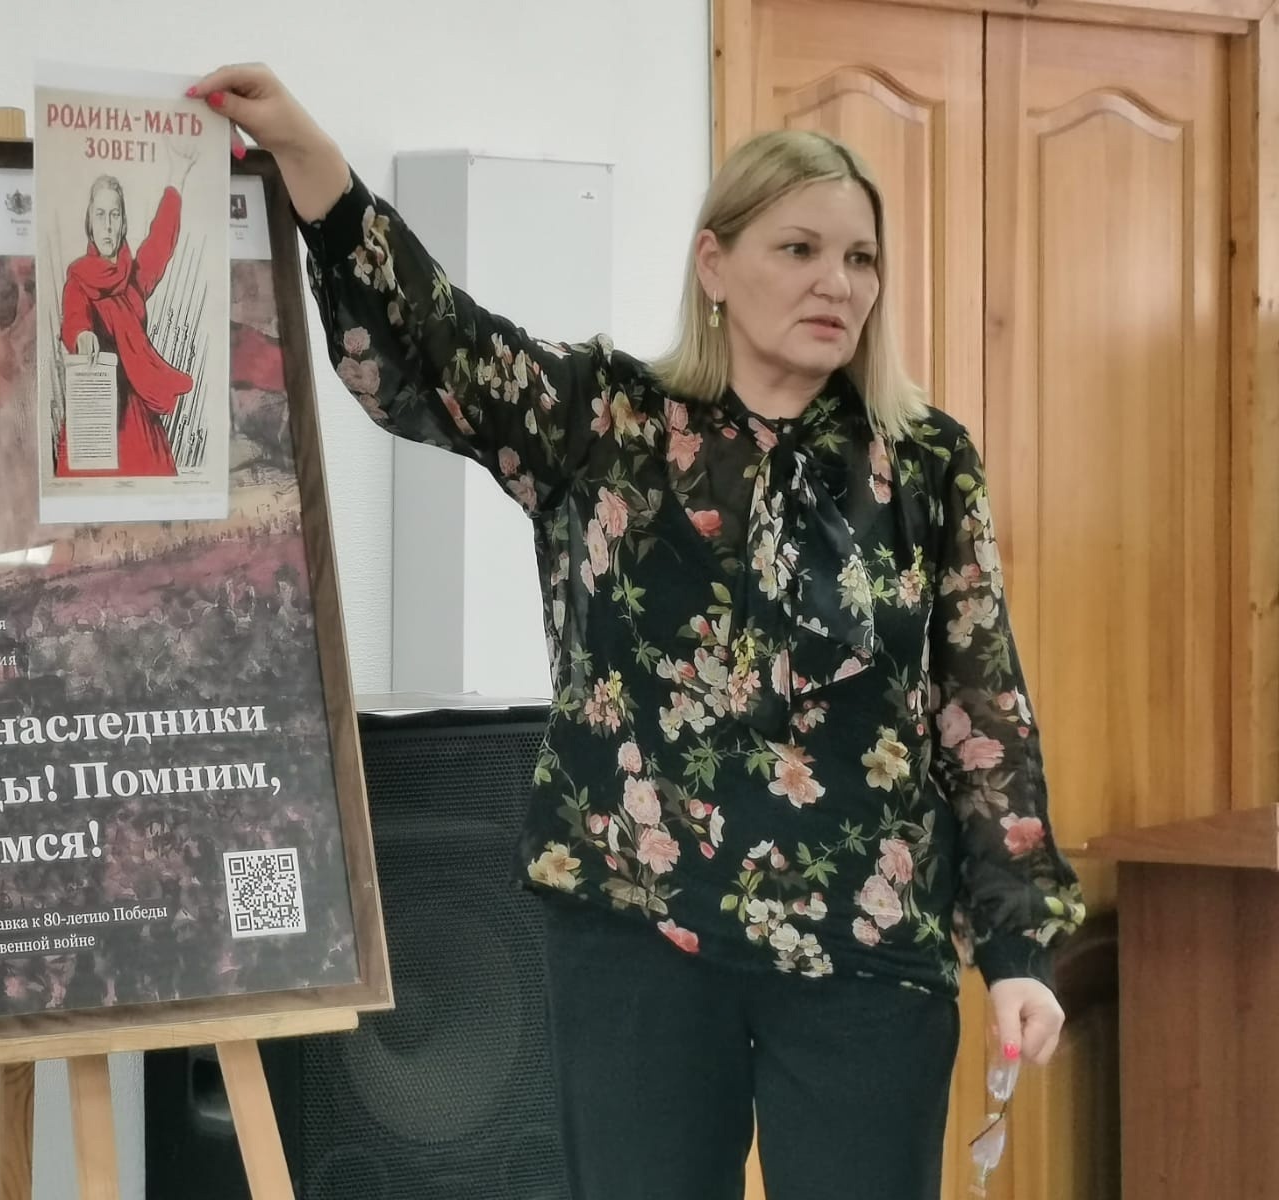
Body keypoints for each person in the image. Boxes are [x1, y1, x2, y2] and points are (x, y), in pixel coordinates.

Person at [187, 63, 1087, 1200]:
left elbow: (982, 708)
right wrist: (309, 158)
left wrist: (1017, 949)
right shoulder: (607, 423)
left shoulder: (924, 461)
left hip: (865, 950)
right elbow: (436, 343)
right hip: (638, 934)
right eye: (799, 249)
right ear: (714, 263)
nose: (838, 282)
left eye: (861, 258)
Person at [57, 142, 198, 478]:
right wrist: (82, 336)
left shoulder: (133, 280)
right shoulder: (78, 279)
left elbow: (159, 245)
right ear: (90, 223)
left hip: (137, 416)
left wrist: (177, 177)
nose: (107, 225)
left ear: (123, 224)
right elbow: (74, 318)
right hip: (96, 412)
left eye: (115, 215)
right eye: (100, 215)